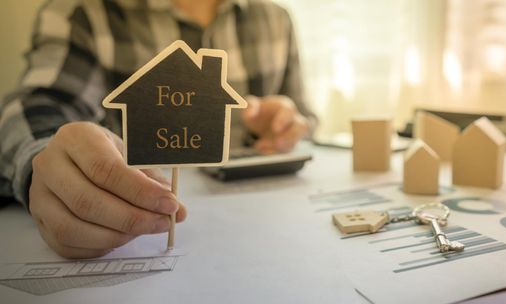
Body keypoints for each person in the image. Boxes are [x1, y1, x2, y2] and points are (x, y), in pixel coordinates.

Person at [0, 0, 316, 258]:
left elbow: (306, 119)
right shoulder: (83, 12)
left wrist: (281, 128)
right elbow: (38, 105)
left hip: (258, 231)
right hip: (135, 217)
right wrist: (44, 158)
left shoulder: (276, 18)